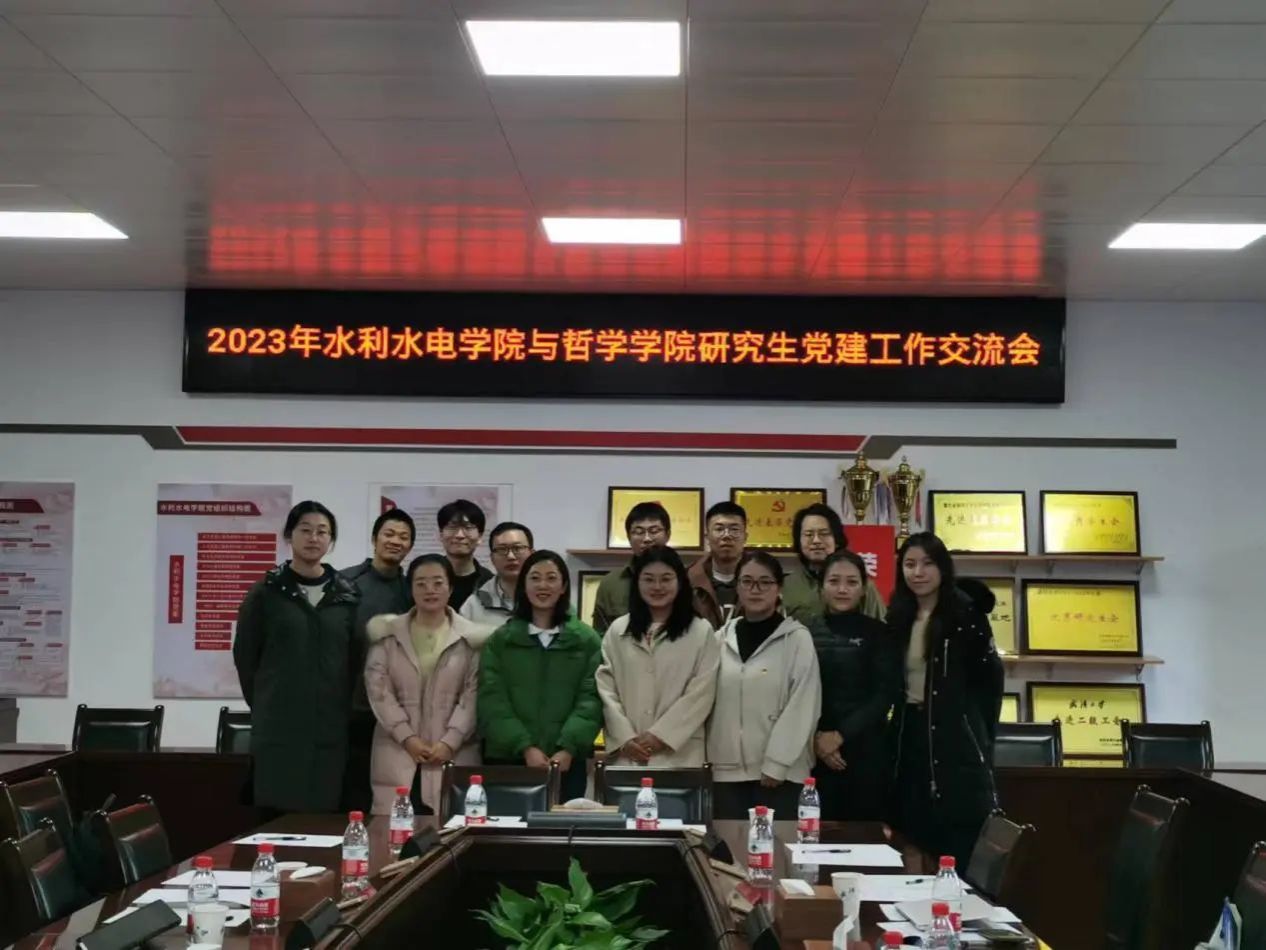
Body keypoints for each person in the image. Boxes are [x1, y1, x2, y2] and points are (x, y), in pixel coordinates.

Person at [233, 500, 359, 814]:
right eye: (305, 530)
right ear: (289, 535)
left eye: (322, 532)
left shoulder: (347, 596)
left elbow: (355, 661)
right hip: (279, 730)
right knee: (275, 819)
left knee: (323, 821)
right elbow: (246, 657)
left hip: (329, 731)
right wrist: (269, 702)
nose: (314, 538)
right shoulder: (265, 593)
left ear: (331, 541)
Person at [888, 531, 1004, 867]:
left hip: (954, 736)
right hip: (909, 732)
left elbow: (990, 684)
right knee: (910, 833)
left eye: (927, 564)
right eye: (909, 564)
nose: (918, 572)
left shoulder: (966, 617)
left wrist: (976, 731)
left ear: (942, 567)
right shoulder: (899, 615)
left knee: (953, 839)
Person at [478, 550, 603, 802]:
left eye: (551, 578)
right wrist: (525, 747)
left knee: (563, 825)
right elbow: (492, 699)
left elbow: (591, 699)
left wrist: (568, 747)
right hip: (509, 759)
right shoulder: (501, 640)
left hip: (567, 763)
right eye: (534, 578)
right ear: (523, 586)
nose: (543, 585)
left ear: (563, 586)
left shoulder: (586, 640)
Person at [364, 554, 482, 816]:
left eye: (438, 583)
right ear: (410, 589)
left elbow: (473, 694)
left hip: (454, 753)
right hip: (397, 752)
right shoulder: (387, 634)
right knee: (394, 830)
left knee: (452, 831)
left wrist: (450, 741)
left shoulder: (471, 639)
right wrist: (407, 737)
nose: (430, 590)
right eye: (421, 583)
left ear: (450, 588)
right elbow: (378, 690)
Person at [708, 551, 821, 819]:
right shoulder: (720, 639)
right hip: (726, 771)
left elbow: (804, 705)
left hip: (781, 775)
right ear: (737, 587)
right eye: (747, 581)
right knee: (728, 845)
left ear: (779, 588)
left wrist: (777, 763)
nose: (755, 589)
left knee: (778, 845)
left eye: (765, 582)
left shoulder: (797, 639)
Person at [596, 547, 719, 768]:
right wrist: (624, 738)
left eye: (666, 579)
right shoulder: (618, 630)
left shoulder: (701, 631)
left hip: (680, 756)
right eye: (649, 579)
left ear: (680, 582)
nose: (657, 587)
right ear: (637, 583)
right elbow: (606, 689)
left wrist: (661, 736)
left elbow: (702, 693)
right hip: (628, 756)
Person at [810, 550, 900, 821]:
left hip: (866, 751)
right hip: (813, 753)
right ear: (821, 587)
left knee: (865, 834)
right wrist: (817, 738)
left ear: (863, 589)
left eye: (851, 582)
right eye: (834, 581)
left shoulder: (880, 633)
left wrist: (839, 736)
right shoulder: (803, 632)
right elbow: (796, 693)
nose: (842, 589)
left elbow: (885, 695)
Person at [339, 508, 416, 812]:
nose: (396, 541)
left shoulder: (411, 590)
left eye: (404, 537)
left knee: (391, 792)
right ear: (374, 539)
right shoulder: (345, 582)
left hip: (396, 708)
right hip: (350, 705)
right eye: (389, 534)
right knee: (351, 791)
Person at [782, 503, 885, 626]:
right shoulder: (786, 585)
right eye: (808, 534)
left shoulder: (862, 584)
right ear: (798, 541)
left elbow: (880, 629)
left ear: (837, 539)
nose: (816, 540)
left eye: (824, 534)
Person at [592, 502, 671, 633]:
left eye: (654, 531)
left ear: (668, 534)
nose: (647, 539)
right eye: (639, 532)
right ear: (628, 537)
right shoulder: (610, 584)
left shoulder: (685, 579)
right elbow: (601, 636)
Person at [460, 521, 533, 636]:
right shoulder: (473, 606)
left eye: (518, 548)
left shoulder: (548, 598)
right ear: (492, 558)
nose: (510, 556)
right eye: (502, 549)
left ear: (532, 554)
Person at [688, 501, 747, 628]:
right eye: (719, 529)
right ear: (707, 537)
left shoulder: (763, 581)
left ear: (745, 537)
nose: (726, 536)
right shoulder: (687, 581)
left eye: (734, 529)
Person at [438, 499, 493, 610]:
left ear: (480, 536)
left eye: (468, 528)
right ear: (441, 534)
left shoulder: (489, 582)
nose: (460, 535)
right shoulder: (426, 577)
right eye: (452, 527)